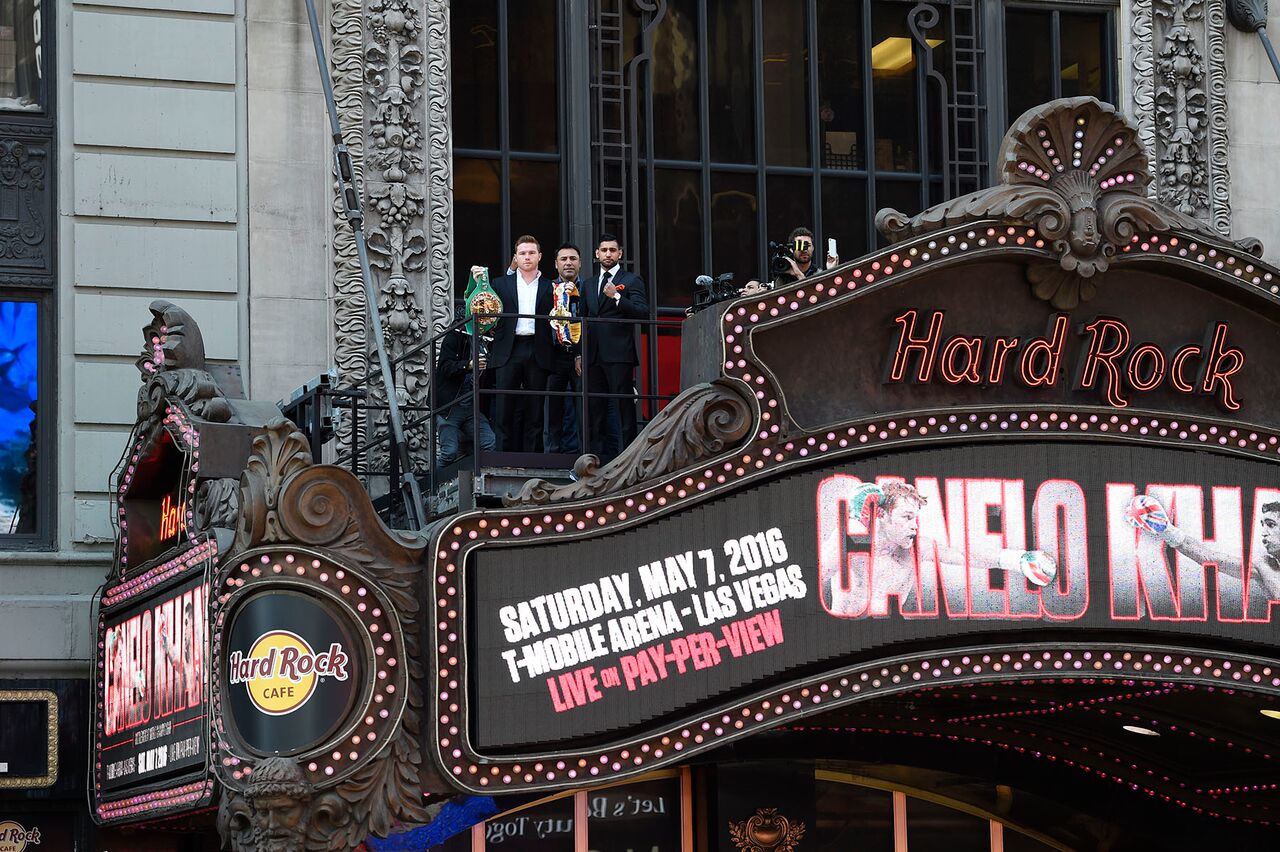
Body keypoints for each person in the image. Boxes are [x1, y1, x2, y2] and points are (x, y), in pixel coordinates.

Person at [829, 482, 1056, 615]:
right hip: (843, 640)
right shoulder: (848, 544)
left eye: (915, 518)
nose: (914, 526)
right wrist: (853, 524)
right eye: (907, 517)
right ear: (881, 514)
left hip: (884, 645)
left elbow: (962, 554)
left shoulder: (917, 548)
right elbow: (816, 573)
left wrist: (1016, 559)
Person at [576, 233, 649, 459]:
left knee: (623, 407)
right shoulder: (588, 284)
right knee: (594, 408)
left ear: (620, 254)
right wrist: (579, 354)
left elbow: (643, 312)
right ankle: (595, 459)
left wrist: (617, 296)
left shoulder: (631, 280)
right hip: (592, 355)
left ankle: (627, 457)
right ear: (597, 254)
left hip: (619, 354)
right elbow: (582, 321)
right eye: (604, 250)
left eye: (612, 250)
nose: (608, 254)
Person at [1130, 494, 1280, 602]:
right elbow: (1209, 557)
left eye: (1271, 524)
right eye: (1263, 525)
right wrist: (1167, 530)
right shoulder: (1265, 566)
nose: (1264, 532)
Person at [488, 236, 555, 453]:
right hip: (509, 348)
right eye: (523, 253)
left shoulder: (551, 287)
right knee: (504, 408)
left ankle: (534, 459)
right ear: (515, 257)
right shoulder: (499, 284)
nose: (527, 257)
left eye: (531, 253)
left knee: (535, 409)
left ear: (539, 256)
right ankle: (503, 458)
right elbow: (483, 311)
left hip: (538, 348)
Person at [433, 310, 497, 467]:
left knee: (488, 442)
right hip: (450, 406)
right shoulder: (455, 336)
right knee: (449, 452)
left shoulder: (487, 340)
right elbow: (445, 367)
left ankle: (477, 476)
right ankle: (431, 481)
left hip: (471, 407)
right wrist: (468, 365)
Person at [546, 242, 584, 455]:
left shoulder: (589, 288)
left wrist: (581, 353)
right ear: (556, 264)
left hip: (581, 357)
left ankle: (584, 454)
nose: (568, 263)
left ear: (580, 263)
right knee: (553, 408)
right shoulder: (547, 288)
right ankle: (551, 455)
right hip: (554, 356)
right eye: (564, 259)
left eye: (573, 259)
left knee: (583, 407)